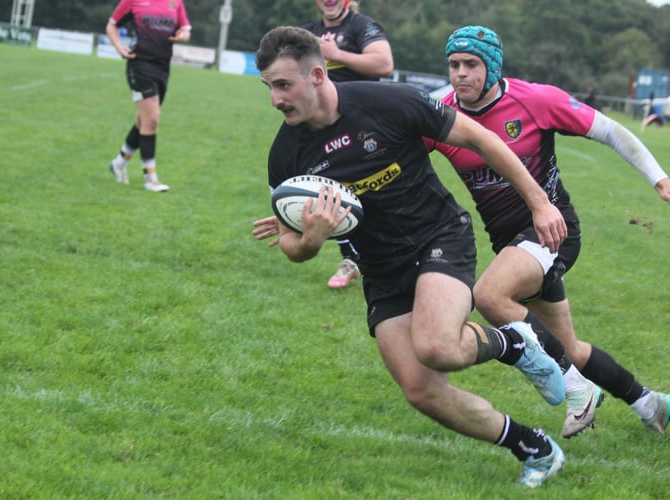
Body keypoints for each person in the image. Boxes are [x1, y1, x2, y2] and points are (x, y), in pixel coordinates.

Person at [254, 26, 569, 487]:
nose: (275, 99)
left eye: (283, 85)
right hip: (381, 269)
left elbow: (481, 140)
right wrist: (312, 240)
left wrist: (540, 203)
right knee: (421, 390)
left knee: (438, 346)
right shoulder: (285, 156)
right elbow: (290, 246)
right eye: (269, 87)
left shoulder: (389, 103)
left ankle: (513, 343)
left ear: (318, 75)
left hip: (438, 236)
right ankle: (535, 449)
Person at [426, 25, 670, 436]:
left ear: (492, 66)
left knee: (488, 294)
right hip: (510, 244)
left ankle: (578, 390)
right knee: (570, 348)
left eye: (471, 64)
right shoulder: (440, 112)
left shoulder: (534, 99)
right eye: (454, 65)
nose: (460, 74)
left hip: (554, 230)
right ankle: (652, 404)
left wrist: (659, 178)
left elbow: (610, 130)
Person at [303, 0, 394, 288]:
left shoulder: (362, 26)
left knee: (373, 192)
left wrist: (336, 54)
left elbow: (384, 64)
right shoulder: (308, 33)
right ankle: (352, 258)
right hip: (320, 128)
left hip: (364, 124)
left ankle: (387, 256)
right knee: (327, 189)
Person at [105, 0, 191, 192]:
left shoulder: (175, 2)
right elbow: (112, 24)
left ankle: (118, 164)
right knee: (151, 119)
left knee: (143, 121)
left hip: (162, 68)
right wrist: (119, 47)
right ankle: (150, 178)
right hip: (139, 65)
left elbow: (185, 30)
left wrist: (182, 36)